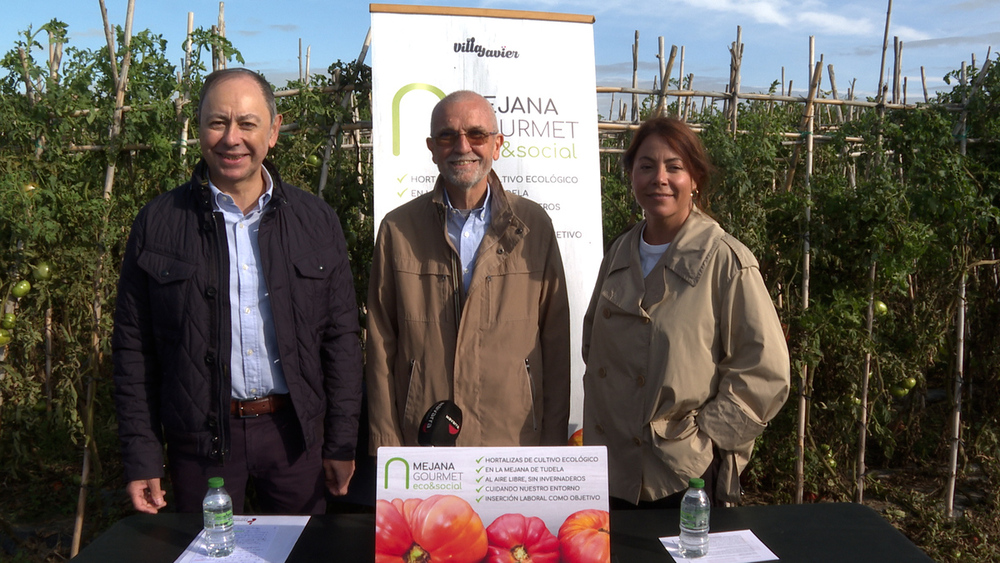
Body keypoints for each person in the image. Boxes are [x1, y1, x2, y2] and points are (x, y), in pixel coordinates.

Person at [112, 68, 363, 515]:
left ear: (274, 130)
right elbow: (134, 348)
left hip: (294, 438)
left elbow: (341, 339)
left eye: (247, 123)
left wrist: (342, 441)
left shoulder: (315, 221)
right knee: (208, 552)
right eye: (217, 122)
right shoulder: (159, 223)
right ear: (199, 128)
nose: (232, 138)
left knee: (301, 552)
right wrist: (142, 456)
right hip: (200, 442)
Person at [582, 117, 790, 508]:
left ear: (694, 179)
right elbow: (594, 344)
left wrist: (705, 439)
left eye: (674, 167)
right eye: (646, 166)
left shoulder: (727, 261)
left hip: (680, 474)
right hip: (611, 470)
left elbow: (765, 372)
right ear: (631, 177)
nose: (659, 178)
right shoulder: (620, 253)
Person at [366, 90, 570, 448]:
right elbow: (381, 342)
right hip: (425, 441)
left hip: (513, 438)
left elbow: (555, 341)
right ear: (432, 147)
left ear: (497, 144)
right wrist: (386, 442)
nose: (462, 146)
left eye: (476, 134)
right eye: (447, 135)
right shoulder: (398, 229)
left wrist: (552, 438)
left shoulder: (533, 226)